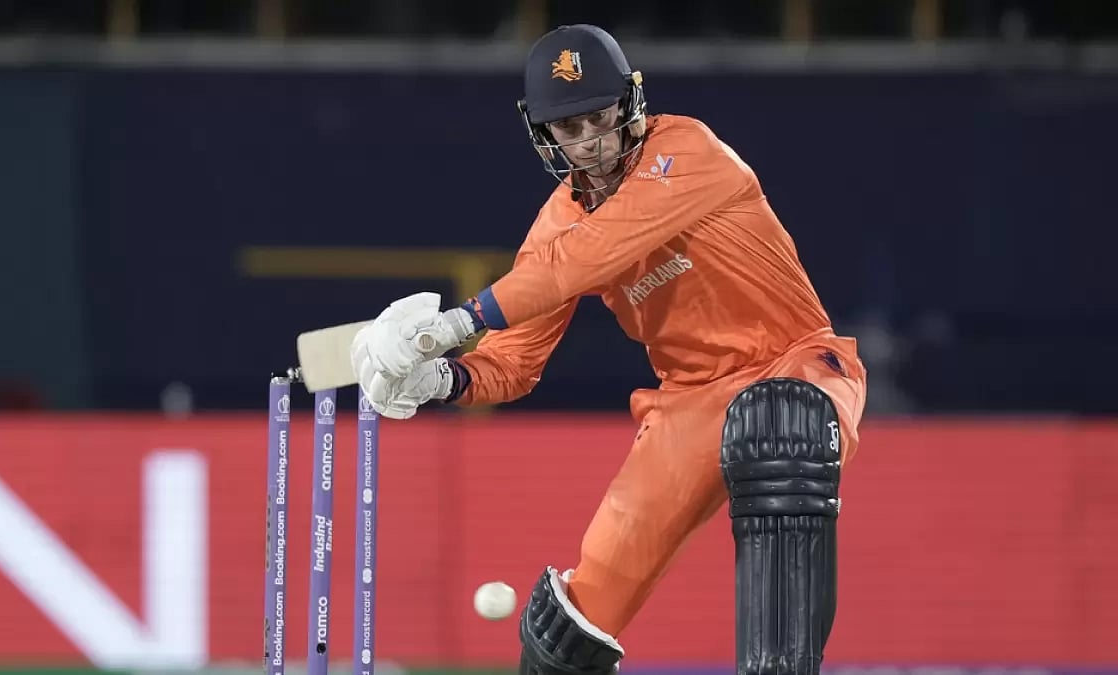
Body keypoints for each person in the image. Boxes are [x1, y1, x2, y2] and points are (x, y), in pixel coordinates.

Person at [350, 23, 868, 675]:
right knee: (566, 631)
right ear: (545, 134)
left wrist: (452, 323)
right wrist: (439, 379)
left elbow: (588, 257)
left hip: (796, 363)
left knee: (780, 424)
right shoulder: (556, 228)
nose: (592, 140)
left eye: (600, 117)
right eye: (571, 128)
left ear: (630, 103)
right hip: (688, 404)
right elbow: (513, 363)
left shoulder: (687, 150)